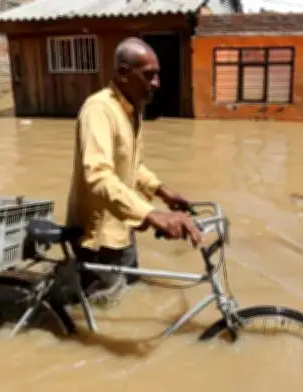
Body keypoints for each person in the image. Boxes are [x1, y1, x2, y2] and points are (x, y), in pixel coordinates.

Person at [64, 37, 202, 305]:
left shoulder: (131, 109)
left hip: (124, 222)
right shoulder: (99, 110)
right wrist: (152, 215)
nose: (156, 83)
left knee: (128, 290)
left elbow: (131, 165)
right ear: (123, 73)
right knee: (98, 308)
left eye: (157, 75)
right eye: (149, 76)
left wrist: (162, 191)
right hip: (99, 235)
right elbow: (98, 176)